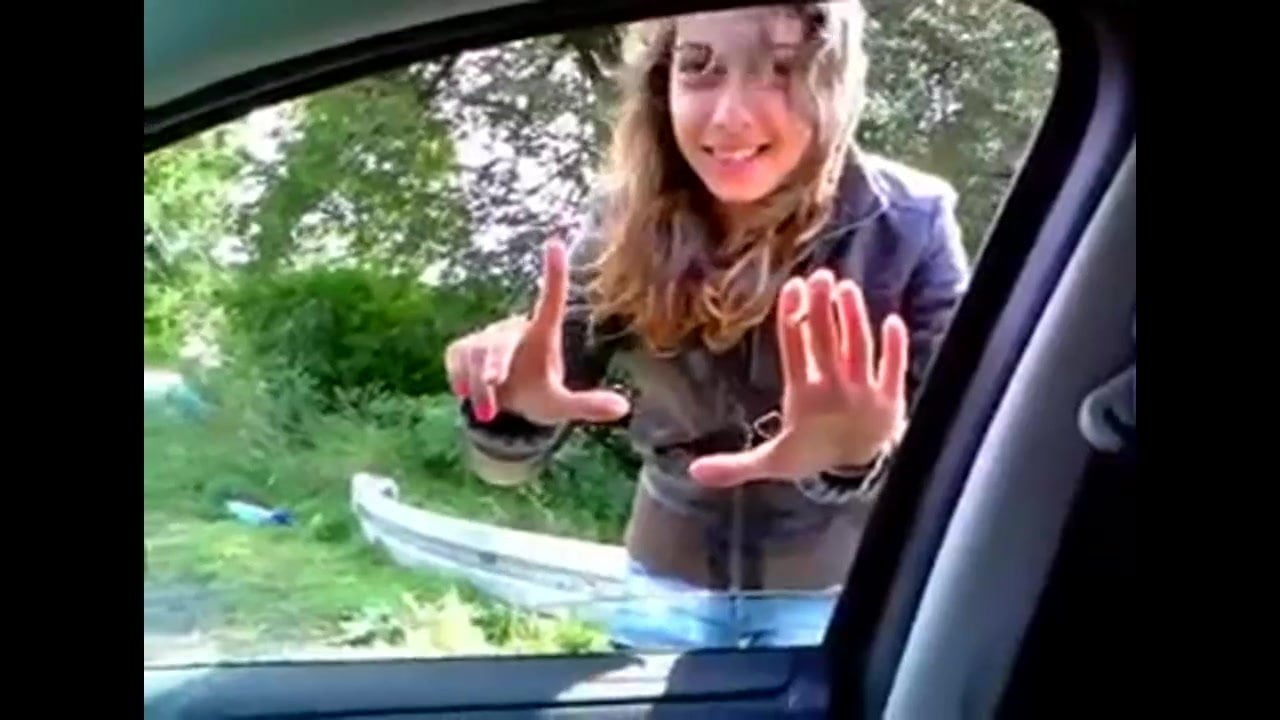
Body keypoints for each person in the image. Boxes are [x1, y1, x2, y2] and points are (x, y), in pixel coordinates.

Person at [444, 0, 969, 649]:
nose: (729, 117)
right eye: (699, 67)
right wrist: (507, 415)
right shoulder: (616, 221)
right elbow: (503, 469)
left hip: (838, 597)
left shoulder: (913, 222)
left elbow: (966, 458)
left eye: (780, 70)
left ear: (835, 82)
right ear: (662, 80)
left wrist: (856, 459)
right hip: (662, 590)